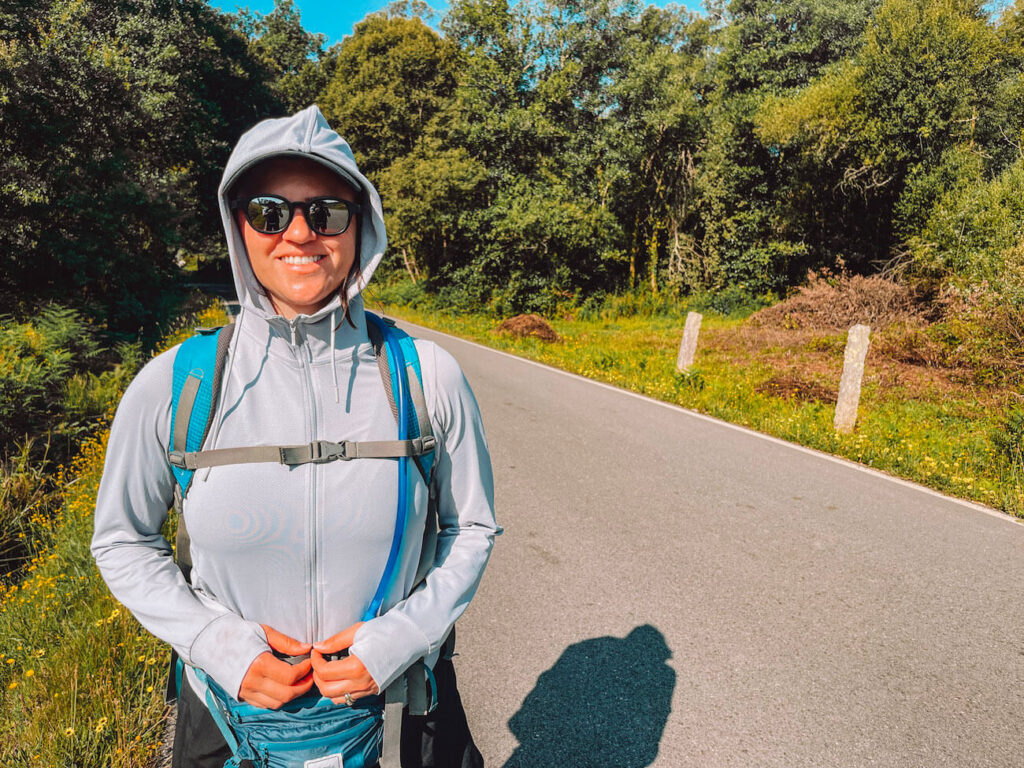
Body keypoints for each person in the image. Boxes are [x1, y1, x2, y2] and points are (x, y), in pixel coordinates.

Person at [91, 105, 498, 767]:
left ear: (360, 223)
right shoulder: (175, 386)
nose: (300, 234)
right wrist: (217, 646)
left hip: (399, 715)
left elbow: (471, 529)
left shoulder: (428, 378)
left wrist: (400, 640)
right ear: (238, 225)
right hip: (227, 718)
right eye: (269, 212)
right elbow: (121, 539)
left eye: (327, 211)